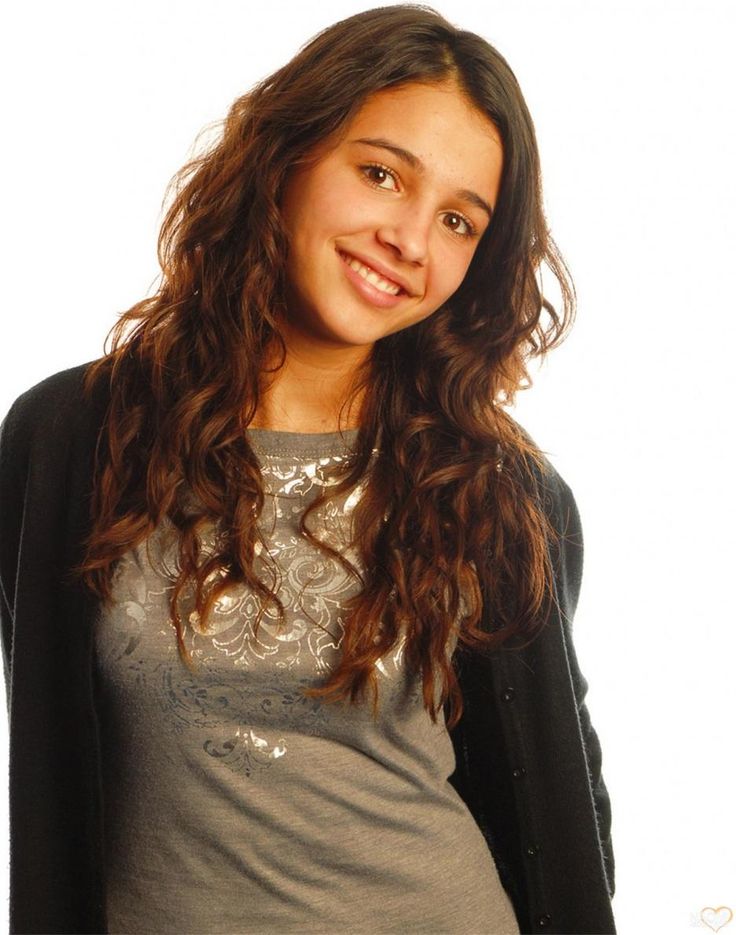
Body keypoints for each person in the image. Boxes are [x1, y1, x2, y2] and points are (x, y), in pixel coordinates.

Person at [0, 6, 616, 934]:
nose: (409, 239)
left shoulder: (500, 491)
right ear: (284, 158)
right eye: (379, 174)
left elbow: (562, 790)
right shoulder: (72, 438)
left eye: (457, 220)